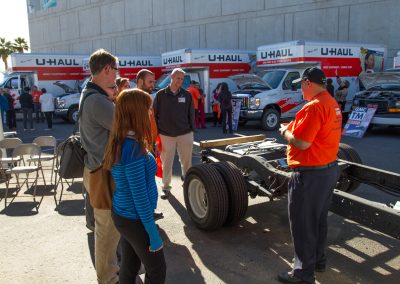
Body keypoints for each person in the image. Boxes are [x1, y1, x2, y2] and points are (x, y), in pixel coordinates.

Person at [278, 67, 342, 284]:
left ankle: (303, 273)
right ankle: (318, 262)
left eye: (301, 85)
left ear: (307, 83)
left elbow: (303, 142)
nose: (300, 90)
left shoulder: (314, 107)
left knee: (303, 224)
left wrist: (285, 132)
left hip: (309, 175)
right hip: (327, 170)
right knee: (318, 220)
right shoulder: (331, 103)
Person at [103, 88, 166, 284]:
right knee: (157, 269)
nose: (150, 112)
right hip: (134, 218)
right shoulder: (132, 148)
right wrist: (153, 233)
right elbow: (139, 197)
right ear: (137, 112)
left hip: (125, 215)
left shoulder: (126, 140)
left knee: (130, 267)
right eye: (147, 108)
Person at [79, 49, 120, 284]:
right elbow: (126, 128)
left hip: (96, 170)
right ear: (106, 69)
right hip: (101, 174)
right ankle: (108, 278)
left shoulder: (90, 92)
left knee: (106, 229)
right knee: (106, 231)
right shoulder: (96, 100)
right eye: (115, 70)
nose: (116, 75)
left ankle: (110, 271)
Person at [153, 68, 195, 199]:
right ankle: (166, 187)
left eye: (182, 79)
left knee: (187, 161)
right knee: (166, 162)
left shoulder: (187, 95)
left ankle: (187, 183)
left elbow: (191, 114)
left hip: (185, 133)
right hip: (166, 134)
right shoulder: (160, 95)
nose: (180, 81)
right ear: (171, 77)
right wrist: (156, 133)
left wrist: (192, 130)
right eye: (178, 78)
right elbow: (154, 114)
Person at [136, 68, 163, 221]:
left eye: (153, 81)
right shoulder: (134, 99)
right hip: (141, 148)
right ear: (140, 81)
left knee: (150, 183)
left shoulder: (146, 98)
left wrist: (154, 143)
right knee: (144, 184)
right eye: (150, 82)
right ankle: (145, 215)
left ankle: (149, 212)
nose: (153, 85)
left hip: (150, 146)